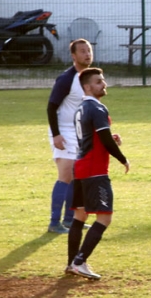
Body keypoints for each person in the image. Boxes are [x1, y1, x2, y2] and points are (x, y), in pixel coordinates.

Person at [66, 68, 130, 281]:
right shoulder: (97, 108)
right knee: (105, 217)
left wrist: (109, 138)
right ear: (87, 87)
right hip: (95, 171)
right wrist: (122, 158)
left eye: (103, 80)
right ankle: (79, 262)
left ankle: (71, 262)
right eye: (98, 82)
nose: (103, 84)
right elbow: (103, 139)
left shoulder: (81, 108)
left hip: (80, 167)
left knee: (79, 215)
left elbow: (92, 137)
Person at [46, 38, 94, 234]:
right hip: (64, 130)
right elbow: (51, 107)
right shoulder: (67, 79)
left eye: (89, 50)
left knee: (77, 175)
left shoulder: (90, 77)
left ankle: (71, 220)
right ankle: (54, 223)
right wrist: (56, 135)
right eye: (82, 51)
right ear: (74, 56)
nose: (87, 54)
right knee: (66, 174)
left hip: (79, 131)